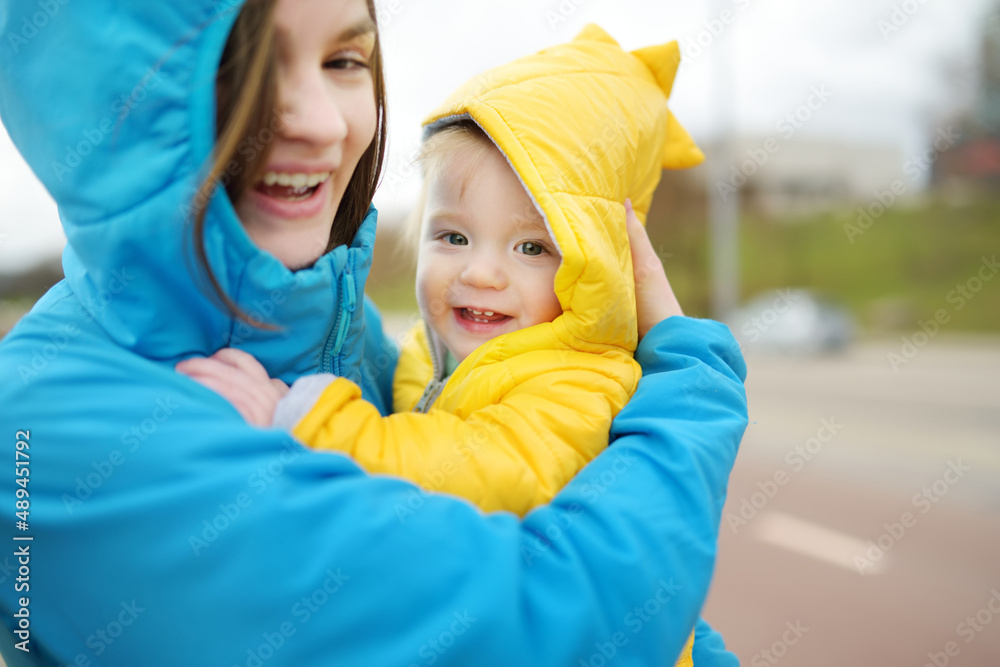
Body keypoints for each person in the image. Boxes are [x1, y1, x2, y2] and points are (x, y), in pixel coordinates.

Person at [0, 1, 748, 665]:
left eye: (345, 59)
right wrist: (694, 395)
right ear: (114, 97)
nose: (322, 121)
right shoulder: (53, 430)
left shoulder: (333, 325)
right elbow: (562, 628)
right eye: (246, 63)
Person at [177, 27, 714, 664]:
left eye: (532, 248)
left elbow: (479, 471)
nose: (480, 273)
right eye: (453, 236)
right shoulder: (428, 357)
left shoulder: (586, 381)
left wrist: (312, 420)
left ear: (598, 270)